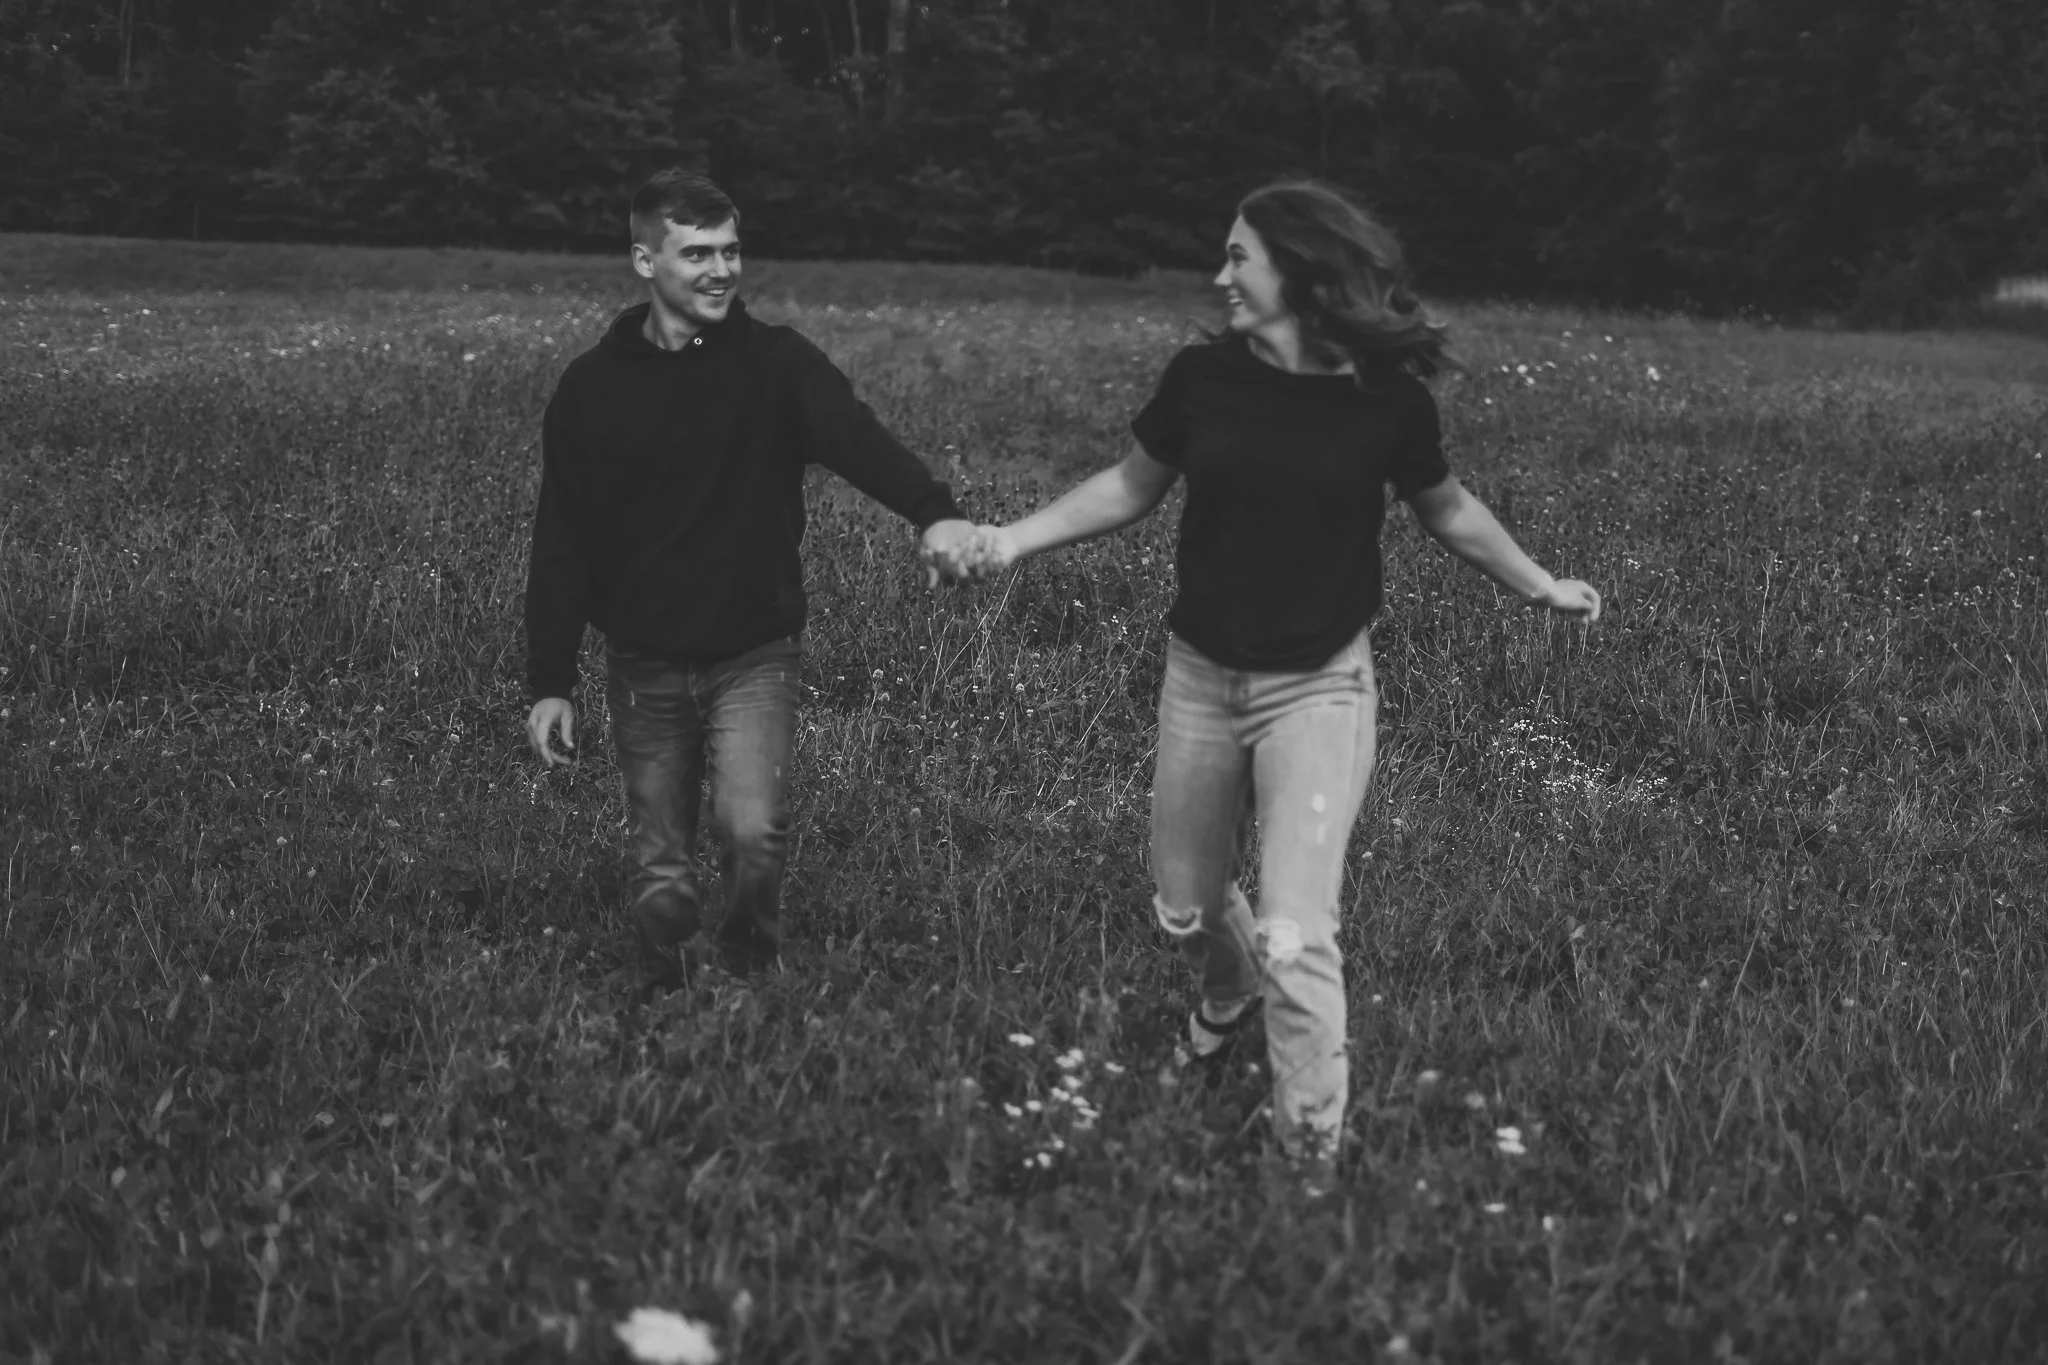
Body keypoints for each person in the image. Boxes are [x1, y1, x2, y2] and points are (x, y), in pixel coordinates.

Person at [937, 180, 1600, 1187]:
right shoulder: (1202, 378)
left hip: (1319, 690)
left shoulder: (1385, 401)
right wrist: (1011, 541)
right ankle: (1225, 990)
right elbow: (1128, 484)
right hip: (1200, 678)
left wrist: (1539, 585)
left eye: (1238, 256)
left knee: (1296, 929)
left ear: (1297, 269)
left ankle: (1307, 1158)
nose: (1220, 275)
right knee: (1187, 905)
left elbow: (1448, 509)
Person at [524, 168, 976, 986]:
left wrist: (932, 510)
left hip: (753, 654)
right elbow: (562, 536)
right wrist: (550, 678)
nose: (721, 270)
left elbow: (858, 439)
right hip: (643, 662)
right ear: (643, 260)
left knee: (751, 828)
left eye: (732, 251)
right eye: (697, 253)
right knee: (661, 866)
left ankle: (745, 971)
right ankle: (663, 987)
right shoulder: (592, 388)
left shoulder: (776, 364)